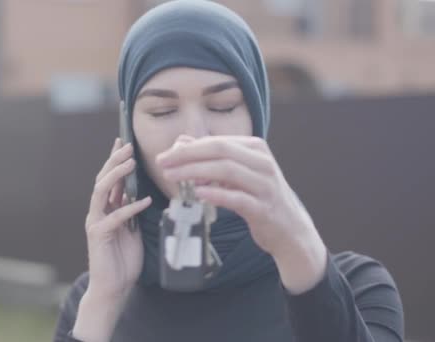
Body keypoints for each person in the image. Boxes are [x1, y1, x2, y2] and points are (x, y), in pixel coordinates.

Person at [53, 1, 404, 341]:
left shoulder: (359, 286)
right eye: (161, 111)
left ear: (256, 114)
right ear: (129, 129)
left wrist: (299, 251)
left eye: (223, 105)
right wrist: (104, 300)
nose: (194, 135)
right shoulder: (94, 297)